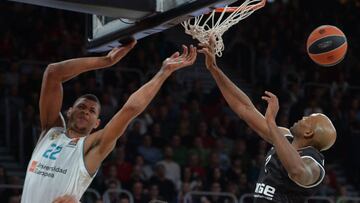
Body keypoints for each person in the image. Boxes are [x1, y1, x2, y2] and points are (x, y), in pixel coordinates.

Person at [21, 40, 197, 203]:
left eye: (91, 111)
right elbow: (53, 72)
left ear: (97, 123)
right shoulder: (51, 130)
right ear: (69, 111)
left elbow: (129, 111)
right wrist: (106, 61)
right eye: (81, 107)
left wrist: (163, 72)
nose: (85, 112)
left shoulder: (92, 145)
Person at [198, 38, 336, 202]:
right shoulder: (284, 137)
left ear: (308, 132)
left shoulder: (315, 165)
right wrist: (214, 69)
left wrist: (271, 122)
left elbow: (297, 171)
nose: (303, 117)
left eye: (308, 119)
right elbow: (245, 109)